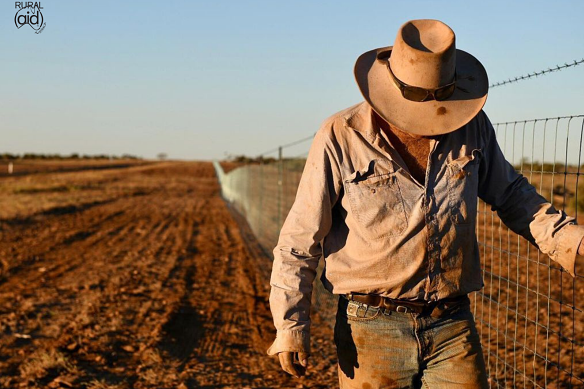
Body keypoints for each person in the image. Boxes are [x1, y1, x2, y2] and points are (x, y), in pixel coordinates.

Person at [266, 19, 584, 388]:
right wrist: (290, 325)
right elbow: (299, 239)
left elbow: (514, 196)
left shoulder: (472, 127)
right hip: (370, 326)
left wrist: (573, 241)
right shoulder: (341, 136)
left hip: (452, 322)